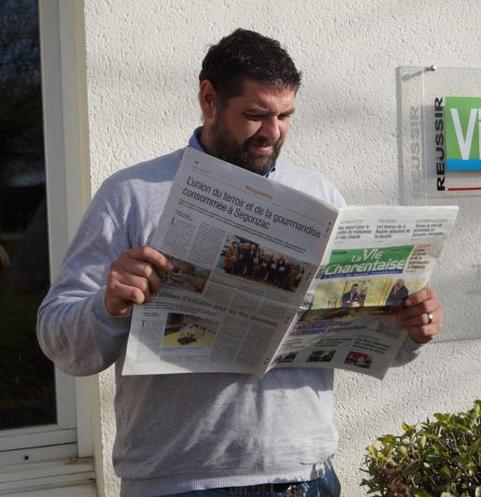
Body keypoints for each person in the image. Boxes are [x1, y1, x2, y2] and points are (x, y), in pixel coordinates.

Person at [36, 29, 444, 497]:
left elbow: (363, 338)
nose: (273, 132)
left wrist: (411, 329)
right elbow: (59, 341)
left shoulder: (320, 197)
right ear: (209, 99)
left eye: (285, 115)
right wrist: (107, 305)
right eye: (255, 115)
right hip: (178, 480)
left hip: (302, 475)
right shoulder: (131, 195)